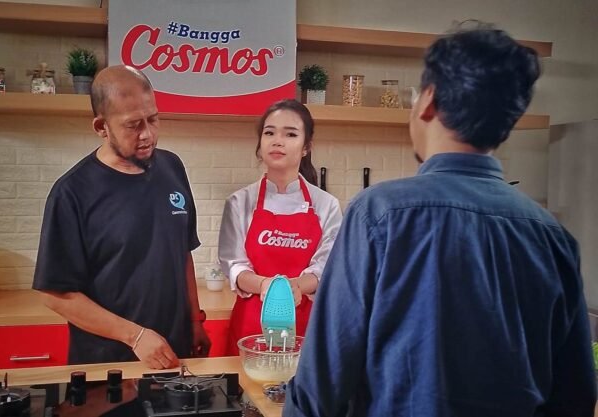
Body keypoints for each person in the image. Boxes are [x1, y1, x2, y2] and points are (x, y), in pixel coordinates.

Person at [284, 24, 597, 417]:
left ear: (428, 101)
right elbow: (575, 397)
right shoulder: (554, 237)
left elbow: (322, 383)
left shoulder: (378, 214)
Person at [33, 65, 210, 369]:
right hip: (107, 364)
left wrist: (194, 320)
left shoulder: (172, 167)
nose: (148, 134)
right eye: (133, 125)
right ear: (101, 127)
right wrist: (136, 337)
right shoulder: (72, 192)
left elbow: (182, 252)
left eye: (153, 119)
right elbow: (55, 294)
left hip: (174, 353)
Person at [218, 99, 342, 355]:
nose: (277, 141)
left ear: (306, 147)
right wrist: (265, 285)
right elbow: (233, 265)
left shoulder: (326, 205)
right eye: (269, 133)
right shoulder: (239, 202)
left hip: (307, 327)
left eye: (290, 134)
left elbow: (326, 266)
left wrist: (297, 287)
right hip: (250, 329)